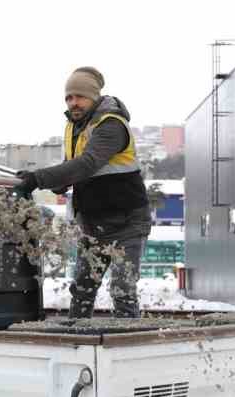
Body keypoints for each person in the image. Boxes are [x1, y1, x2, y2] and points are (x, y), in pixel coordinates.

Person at [13, 67, 151, 318]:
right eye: (69, 97)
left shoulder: (112, 125)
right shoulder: (73, 126)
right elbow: (74, 167)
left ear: (95, 97)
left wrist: (39, 178)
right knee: (83, 289)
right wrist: (58, 183)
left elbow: (88, 163)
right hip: (93, 223)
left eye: (79, 97)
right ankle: (77, 339)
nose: (73, 102)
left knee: (123, 289)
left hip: (127, 222)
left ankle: (127, 344)